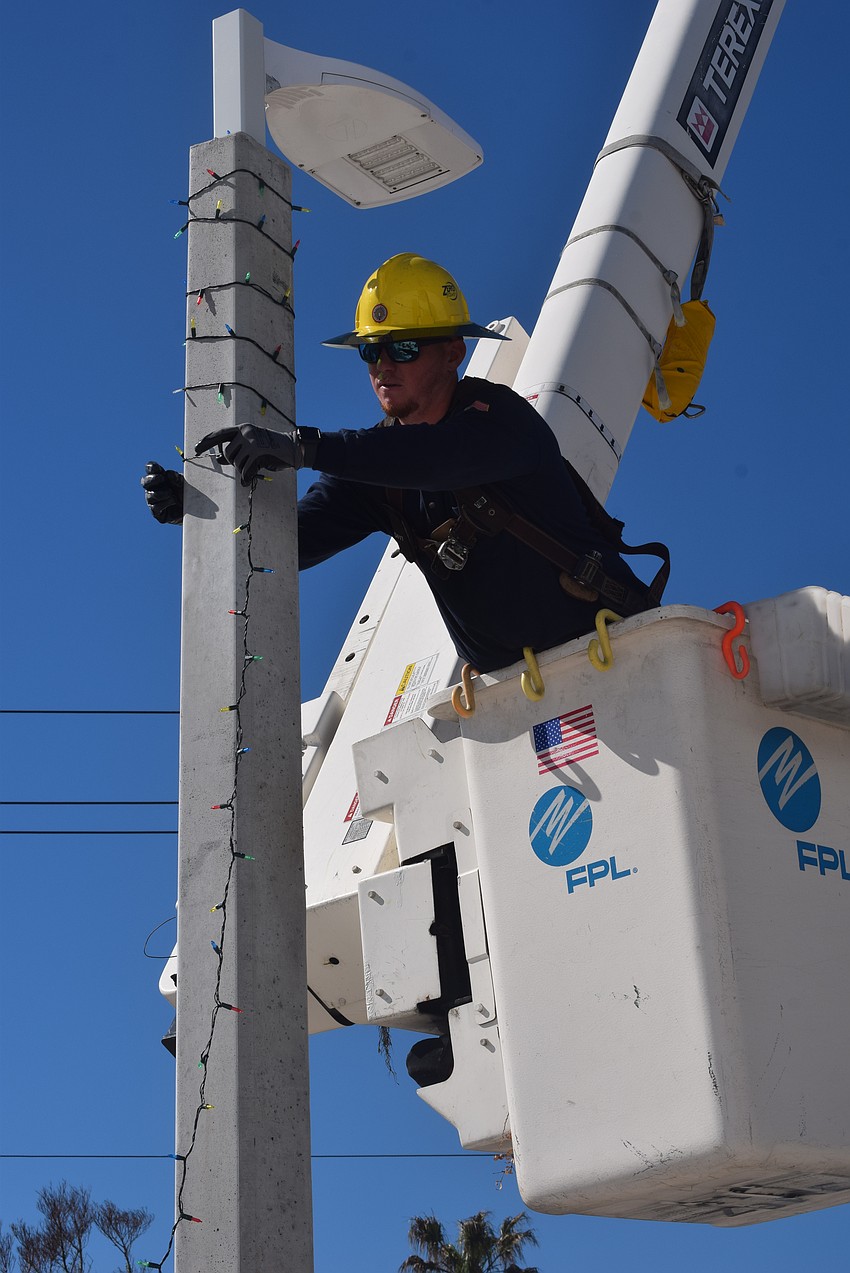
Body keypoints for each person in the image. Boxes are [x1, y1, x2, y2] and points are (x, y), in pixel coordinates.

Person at [143, 253, 665, 673]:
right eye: (371, 353)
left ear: (453, 353)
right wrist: (198, 512)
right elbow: (283, 548)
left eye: (405, 347)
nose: (383, 368)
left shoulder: (503, 423)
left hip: (617, 660)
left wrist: (304, 448)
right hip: (517, 697)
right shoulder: (373, 476)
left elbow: (436, 459)